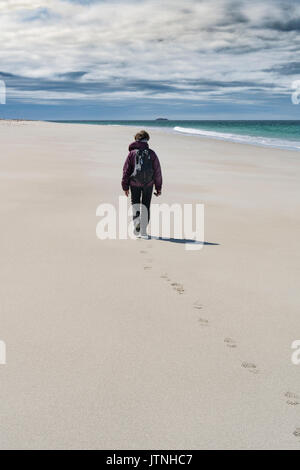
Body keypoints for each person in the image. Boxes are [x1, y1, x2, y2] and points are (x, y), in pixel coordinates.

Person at [122, 130, 162, 239]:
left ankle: (137, 227)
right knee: (146, 206)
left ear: (136, 140)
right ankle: (143, 230)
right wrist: (158, 188)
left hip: (134, 184)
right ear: (147, 140)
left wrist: (125, 187)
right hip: (148, 184)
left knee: (135, 204)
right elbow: (157, 171)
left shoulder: (131, 154)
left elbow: (126, 171)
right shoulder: (152, 153)